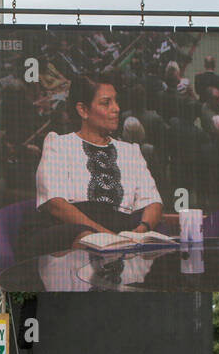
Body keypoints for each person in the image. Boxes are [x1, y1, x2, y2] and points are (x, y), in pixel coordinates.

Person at [21, 72, 163, 255]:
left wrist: (140, 231)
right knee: (87, 238)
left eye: (116, 101)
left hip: (120, 233)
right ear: (83, 110)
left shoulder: (131, 152)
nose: (116, 109)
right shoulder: (58, 145)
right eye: (106, 103)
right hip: (63, 230)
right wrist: (108, 236)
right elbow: (55, 203)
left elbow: (154, 203)